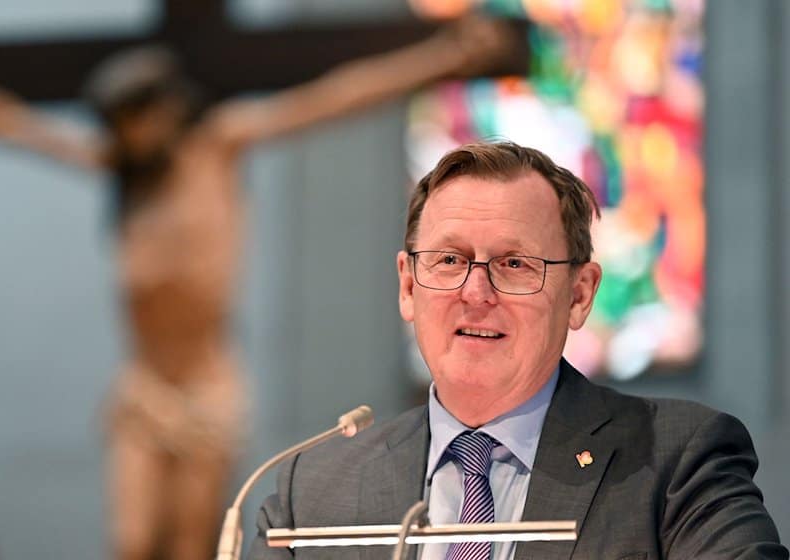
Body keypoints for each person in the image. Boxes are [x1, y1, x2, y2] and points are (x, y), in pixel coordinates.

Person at [0, 14, 527, 560]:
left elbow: (331, 97)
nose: (124, 136)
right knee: (132, 540)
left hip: (207, 388)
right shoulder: (119, 169)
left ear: (163, 109)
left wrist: (438, 60)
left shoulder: (218, 145)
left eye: (133, 119)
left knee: (190, 544)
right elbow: (12, 123)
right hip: (145, 390)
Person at [249, 141, 787, 559]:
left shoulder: (676, 461)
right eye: (449, 260)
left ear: (579, 295)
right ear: (408, 286)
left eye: (515, 265)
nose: (475, 293)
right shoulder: (315, 489)